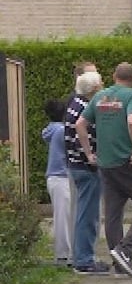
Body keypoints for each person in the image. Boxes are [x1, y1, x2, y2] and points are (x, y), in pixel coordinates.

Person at [75, 62, 132, 279]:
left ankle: (120, 266)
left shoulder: (99, 96)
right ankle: (125, 250)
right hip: (127, 162)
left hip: (105, 164)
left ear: (114, 76)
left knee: (113, 214)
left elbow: (80, 123)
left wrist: (89, 154)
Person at [65, 70, 107, 275]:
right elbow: (83, 134)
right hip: (86, 168)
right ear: (94, 89)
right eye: (101, 85)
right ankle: (84, 260)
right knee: (88, 215)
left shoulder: (75, 104)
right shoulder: (85, 108)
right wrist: (91, 156)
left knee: (84, 213)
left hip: (75, 165)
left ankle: (82, 257)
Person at [42, 99, 72, 266]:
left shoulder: (51, 130)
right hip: (61, 176)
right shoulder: (62, 131)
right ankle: (63, 255)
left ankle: (64, 254)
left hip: (54, 177)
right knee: (63, 217)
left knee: (62, 216)